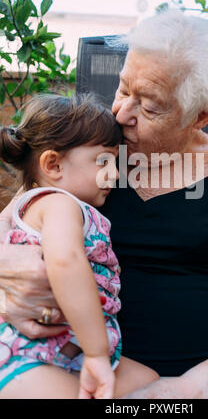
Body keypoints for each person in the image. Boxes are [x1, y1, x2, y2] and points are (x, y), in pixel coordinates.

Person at [0, 9, 208, 399]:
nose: (121, 113)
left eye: (150, 106)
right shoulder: (82, 158)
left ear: (201, 115)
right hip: (73, 373)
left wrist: (192, 389)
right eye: (124, 89)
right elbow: (12, 228)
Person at [0, 93, 159, 399]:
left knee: (150, 383)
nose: (114, 173)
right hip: (25, 356)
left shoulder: (63, 204)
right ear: (53, 164)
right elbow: (66, 262)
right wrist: (97, 353)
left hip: (64, 354)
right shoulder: (59, 204)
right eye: (104, 161)